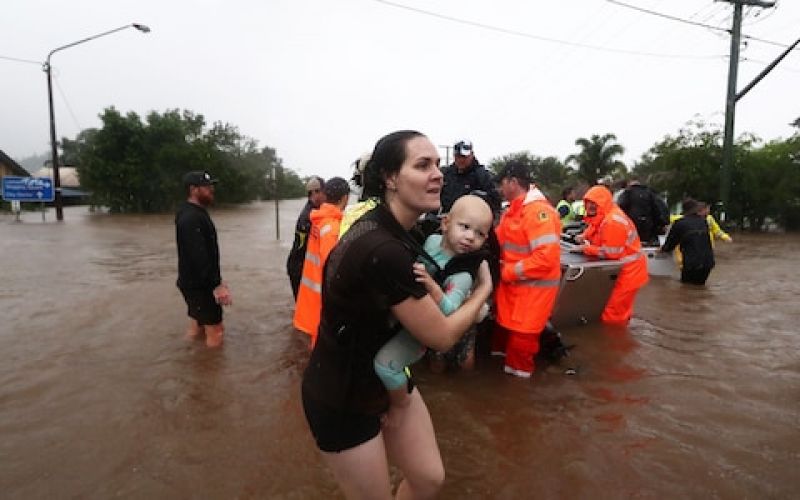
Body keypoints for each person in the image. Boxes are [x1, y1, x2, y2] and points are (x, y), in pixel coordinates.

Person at [301, 130, 493, 499]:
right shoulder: (382, 249)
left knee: (428, 480)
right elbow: (440, 336)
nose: (438, 173)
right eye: (423, 165)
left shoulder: (400, 229)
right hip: (343, 396)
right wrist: (483, 289)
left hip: (386, 372)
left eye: (438, 164)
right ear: (390, 178)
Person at [373, 194, 494, 404]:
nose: (470, 237)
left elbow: (449, 313)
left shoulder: (463, 274)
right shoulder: (431, 240)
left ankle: (402, 405)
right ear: (445, 223)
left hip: (424, 331)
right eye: (464, 227)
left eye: (479, 234)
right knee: (433, 366)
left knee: (386, 366)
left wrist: (431, 285)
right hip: (408, 314)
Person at [491, 162, 562, 378]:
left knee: (522, 344)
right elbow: (498, 241)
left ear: (513, 182)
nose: (500, 189)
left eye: (502, 183)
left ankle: (518, 393)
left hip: (532, 291)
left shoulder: (539, 212)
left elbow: (545, 258)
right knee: (501, 337)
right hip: (512, 288)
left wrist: (507, 272)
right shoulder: (512, 211)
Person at [575, 185, 649, 324]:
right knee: (617, 309)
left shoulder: (613, 221)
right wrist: (583, 236)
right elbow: (595, 226)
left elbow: (611, 253)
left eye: (594, 202)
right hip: (621, 270)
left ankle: (615, 341)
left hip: (628, 273)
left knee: (613, 314)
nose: (590, 206)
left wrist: (586, 248)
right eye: (588, 202)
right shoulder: (605, 214)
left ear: (603, 202)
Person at [175, 171, 232, 348]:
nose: (211, 190)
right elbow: (199, 255)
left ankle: (190, 363)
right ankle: (212, 372)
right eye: (206, 187)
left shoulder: (188, 212)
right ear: (193, 189)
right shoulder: (192, 217)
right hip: (200, 286)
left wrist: (217, 279)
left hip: (190, 282)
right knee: (216, 330)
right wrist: (217, 285)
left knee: (197, 327)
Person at [293, 177, 350, 347]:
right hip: (322, 302)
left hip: (312, 298)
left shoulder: (318, 219)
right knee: (322, 349)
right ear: (345, 198)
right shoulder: (331, 228)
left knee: (316, 345)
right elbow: (332, 269)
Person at [438, 139, 501, 219]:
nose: (460, 160)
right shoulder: (446, 174)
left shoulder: (482, 175)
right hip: (446, 220)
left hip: (471, 221)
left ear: (471, 155)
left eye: (464, 157)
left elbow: (495, 203)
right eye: (458, 156)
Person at [286, 175, 325, 300]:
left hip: (303, 266)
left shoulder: (317, 211)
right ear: (313, 193)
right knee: (304, 308)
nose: (323, 195)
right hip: (298, 267)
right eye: (319, 192)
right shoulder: (309, 216)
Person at [661, 198, 716, 285]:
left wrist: (662, 250)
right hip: (707, 262)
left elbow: (670, 244)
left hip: (691, 263)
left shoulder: (679, 223)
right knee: (699, 288)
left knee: (686, 287)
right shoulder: (703, 222)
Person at [617, 177, 669, 246]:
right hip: (649, 231)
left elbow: (619, 210)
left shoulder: (626, 194)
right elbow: (660, 209)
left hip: (631, 231)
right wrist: (662, 224)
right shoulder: (650, 193)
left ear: (629, 183)